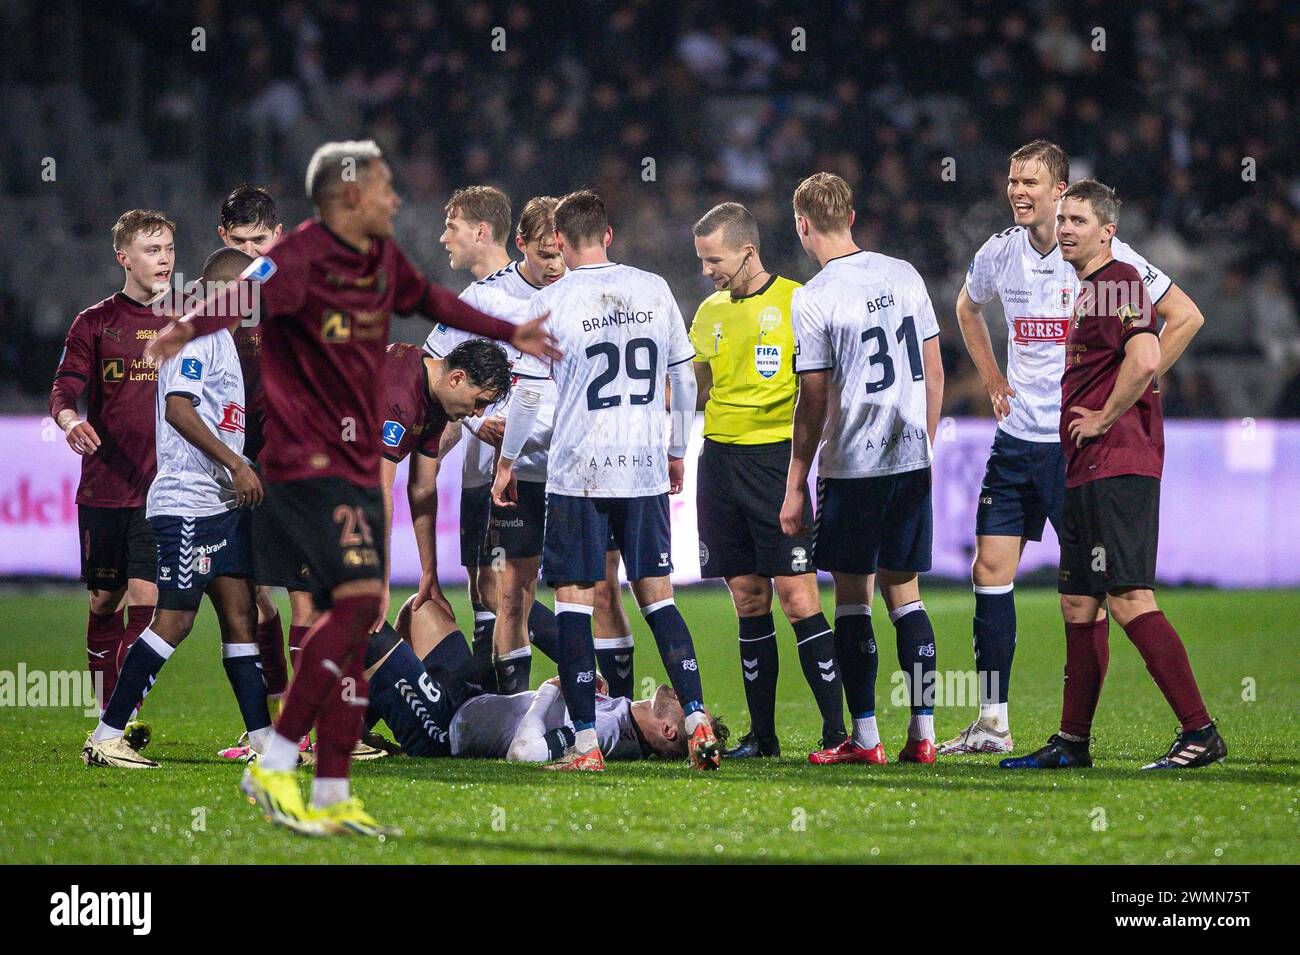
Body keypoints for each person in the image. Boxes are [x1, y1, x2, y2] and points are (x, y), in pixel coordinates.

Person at [146, 139, 557, 836]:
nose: (392, 198)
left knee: (350, 614)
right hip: (303, 459)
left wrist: (509, 327)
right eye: (380, 187)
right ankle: (287, 761)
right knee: (349, 607)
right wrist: (183, 329)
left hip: (334, 465)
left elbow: (433, 303)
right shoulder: (299, 256)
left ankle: (314, 778)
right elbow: (241, 299)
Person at [944, 140, 1205, 755]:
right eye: (1011, 179)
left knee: (1103, 593)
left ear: (1061, 192)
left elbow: (1184, 316)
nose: (1017, 191)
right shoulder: (999, 253)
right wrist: (990, 377)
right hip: (1017, 442)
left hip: (1079, 449)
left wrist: (1132, 389)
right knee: (994, 572)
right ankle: (994, 721)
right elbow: (965, 306)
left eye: (1030, 181)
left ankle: (1151, 731)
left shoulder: (1101, 260)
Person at [1001, 180, 1226, 771]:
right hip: (1086, 468)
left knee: (1127, 596)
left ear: (1108, 232)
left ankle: (1200, 731)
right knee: (1079, 603)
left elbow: (1146, 356)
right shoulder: (1091, 290)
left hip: (1115, 463)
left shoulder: (1118, 280)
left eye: (1080, 220)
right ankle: (1073, 743)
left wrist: (1107, 414)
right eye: (1065, 218)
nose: (1068, 228)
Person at [494, 189, 720, 771]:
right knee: (658, 598)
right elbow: (685, 379)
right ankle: (696, 719)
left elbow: (529, 393)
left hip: (581, 473)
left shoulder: (554, 302)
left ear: (562, 243)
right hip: (643, 467)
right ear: (609, 235)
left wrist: (508, 459)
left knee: (574, 604)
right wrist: (676, 449)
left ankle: (588, 745)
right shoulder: (654, 289)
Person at [82, 247, 272, 768]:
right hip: (187, 501)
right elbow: (179, 408)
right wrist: (236, 463)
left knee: (240, 615)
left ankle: (261, 740)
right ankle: (105, 736)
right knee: (175, 620)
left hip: (222, 506)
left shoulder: (227, 343)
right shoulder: (200, 334)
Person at [779, 173, 945, 766]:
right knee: (908, 599)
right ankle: (923, 733)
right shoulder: (903, 273)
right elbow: (933, 366)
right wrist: (922, 442)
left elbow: (814, 397)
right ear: (850, 214)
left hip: (853, 467)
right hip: (909, 461)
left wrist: (797, 479)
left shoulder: (814, 295)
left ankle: (867, 736)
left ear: (802, 224)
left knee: (853, 601)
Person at [688, 201, 846, 760]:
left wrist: (801, 475)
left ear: (747, 250)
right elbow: (695, 388)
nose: (708, 270)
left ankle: (836, 734)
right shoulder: (709, 312)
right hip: (720, 464)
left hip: (778, 463)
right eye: (703, 260)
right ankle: (763, 737)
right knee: (747, 597)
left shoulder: (798, 301)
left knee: (798, 596)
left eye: (715, 259)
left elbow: (819, 389)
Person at [50, 210, 171, 722]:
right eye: (151, 250)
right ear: (124, 258)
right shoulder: (95, 323)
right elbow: (64, 386)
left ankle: (120, 717)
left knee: (149, 601)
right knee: (104, 603)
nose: (164, 259)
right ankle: (109, 710)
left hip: (161, 491)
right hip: (103, 489)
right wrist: (68, 418)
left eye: (168, 248)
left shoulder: (186, 324)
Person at [361, 597, 727, 763]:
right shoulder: (621, 711)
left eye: (694, 717)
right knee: (421, 605)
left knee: (366, 623)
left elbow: (524, 752)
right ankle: (363, 728)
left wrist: (551, 691)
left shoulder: (605, 733)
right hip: (470, 699)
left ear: (668, 730)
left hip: (445, 730)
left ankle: (348, 735)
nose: (688, 697)